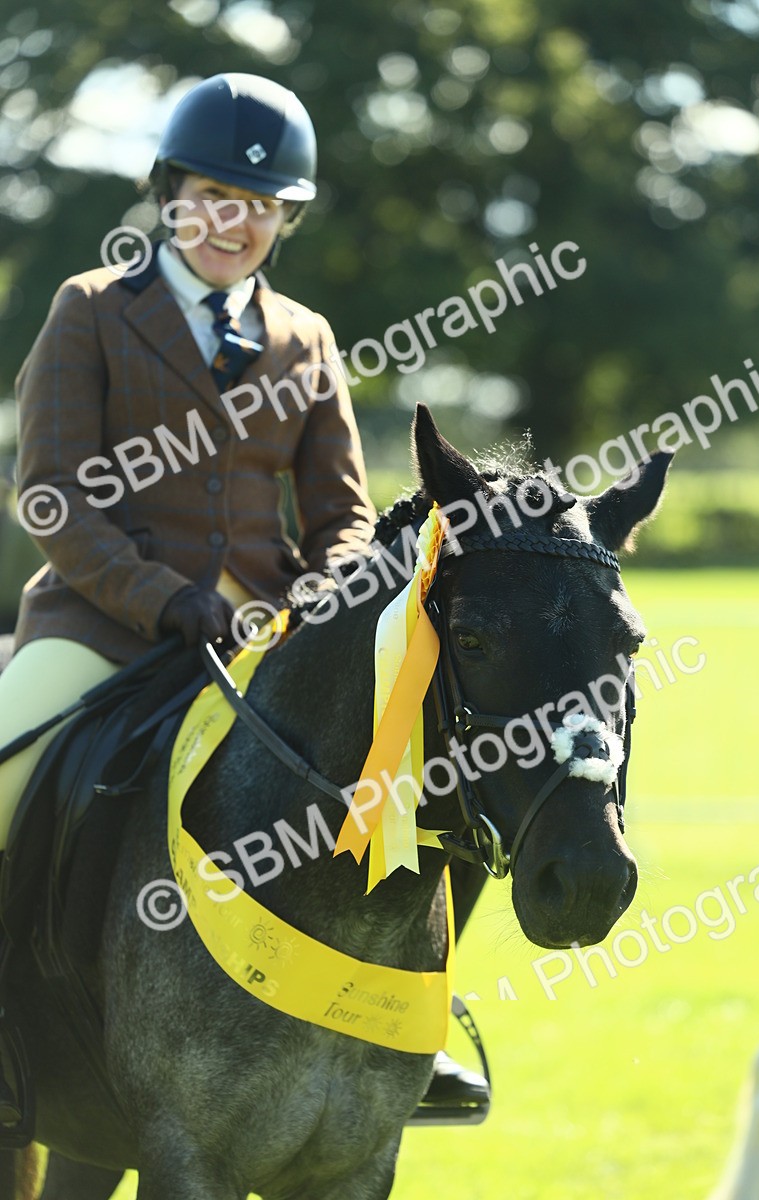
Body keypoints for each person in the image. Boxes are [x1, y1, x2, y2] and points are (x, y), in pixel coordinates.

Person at [0, 72, 487, 1127]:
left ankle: (412, 1029)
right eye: (215, 197)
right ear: (169, 195)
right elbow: (50, 497)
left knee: (426, 775)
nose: (236, 223)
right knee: (5, 772)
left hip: (270, 635)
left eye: (260, 206)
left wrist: (321, 605)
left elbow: (344, 517)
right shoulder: (88, 311)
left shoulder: (305, 337)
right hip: (100, 624)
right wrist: (163, 598)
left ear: (284, 218)